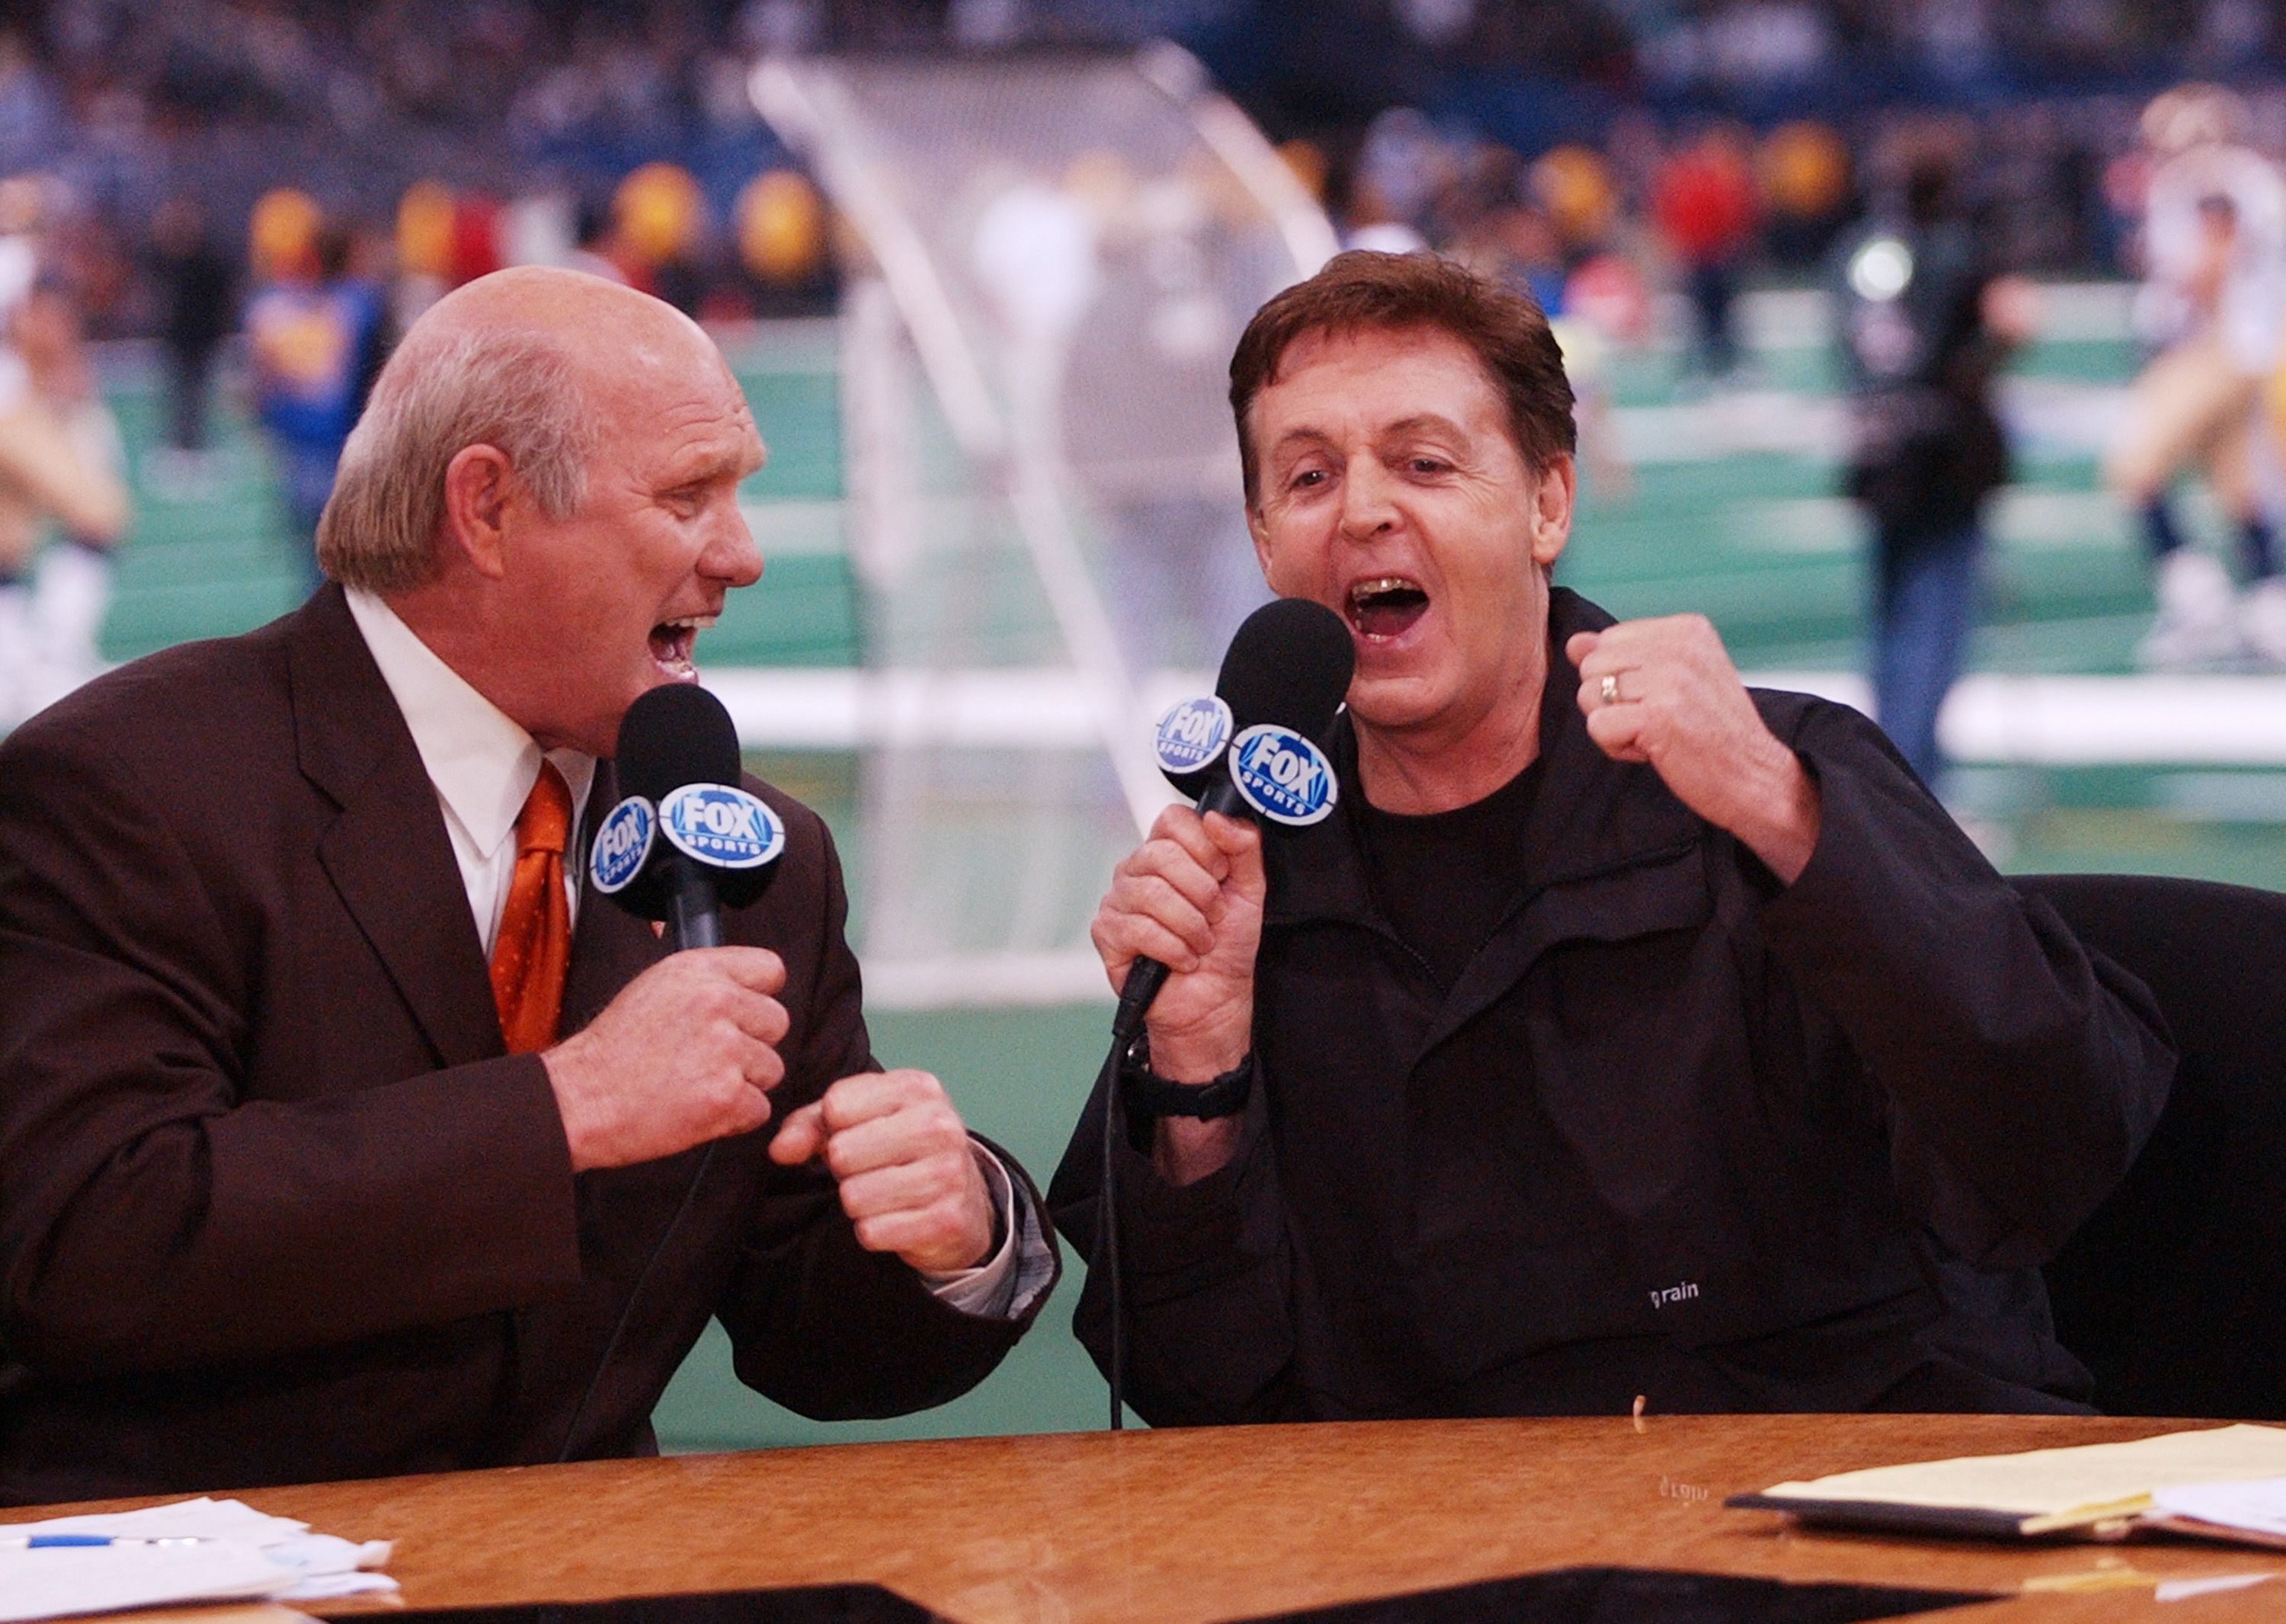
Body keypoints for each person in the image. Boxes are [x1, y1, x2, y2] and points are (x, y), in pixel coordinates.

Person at [1049, 251, 2172, 1425]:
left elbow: (2068, 1140)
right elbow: (1185, 1386)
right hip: (1428, 1549)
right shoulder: (1248, 873)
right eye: (1310, 476)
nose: (1366, 508)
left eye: (1425, 462)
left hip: (1830, 1504)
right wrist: (1198, 1080)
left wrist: (1789, 819)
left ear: (1548, 503)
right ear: (1265, 540)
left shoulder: (1772, 775)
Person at [0, 267, 1057, 1505]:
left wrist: (948, 1234)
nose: (744, 555)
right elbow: (82, 1244)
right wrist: (559, 1110)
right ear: (487, 508)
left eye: (741, 493)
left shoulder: (760, 851)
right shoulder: (127, 785)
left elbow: (807, 1336)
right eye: (688, 495)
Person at [1832, 141, 2025, 793]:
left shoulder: (1855, 252)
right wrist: (1979, 369)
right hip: (1945, 447)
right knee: (1935, 622)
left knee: (1889, 616)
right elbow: (2011, 324)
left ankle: (1885, 770)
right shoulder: (1957, 250)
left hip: (1875, 444)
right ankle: (1914, 779)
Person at [2110, 85, 2286, 668]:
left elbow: (2215, 253)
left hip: (2212, 346)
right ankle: (2268, 604)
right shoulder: (2249, 175)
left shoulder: (2208, 179)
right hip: (2247, 349)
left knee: (2134, 468)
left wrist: (2181, 309)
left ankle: (2197, 599)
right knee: (2240, 486)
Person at [245, 217, 390, 590]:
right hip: (339, 433)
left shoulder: (281, 306)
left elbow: (264, 377)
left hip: (301, 432)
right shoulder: (358, 305)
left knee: (317, 545)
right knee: (347, 546)